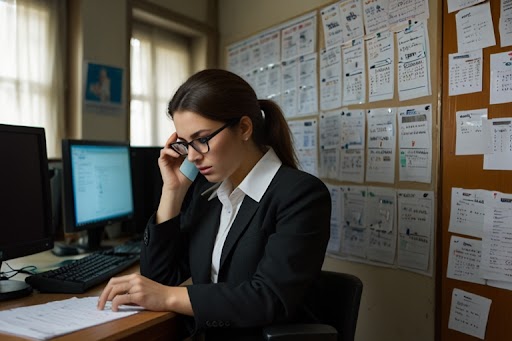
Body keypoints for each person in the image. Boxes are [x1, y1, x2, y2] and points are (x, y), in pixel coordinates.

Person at [97, 69, 331, 340]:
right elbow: (159, 278)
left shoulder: (301, 195)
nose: (193, 156)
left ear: (244, 128)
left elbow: (269, 298)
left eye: (202, 139)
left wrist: (169, 297)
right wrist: (172, 192)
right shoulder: (209, 194)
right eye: (185, 144)